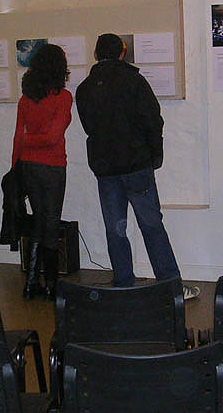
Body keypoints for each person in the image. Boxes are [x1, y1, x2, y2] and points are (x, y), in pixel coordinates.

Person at [76, 33, 199, 299]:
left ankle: (123, 284)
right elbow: (153, 120)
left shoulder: (85, 88)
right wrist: (155, 155)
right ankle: (170, 287)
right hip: (136, 164)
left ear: (96, 55)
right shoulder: (134, 81)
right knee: (152, 226)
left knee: (115, 229)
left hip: (106, 169)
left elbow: (89, 127)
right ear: (122, 53)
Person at [11, 43, 72, 300]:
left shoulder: (26, 98)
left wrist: (16, 163)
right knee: (51, 221)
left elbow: (18, 136)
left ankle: (31, 283)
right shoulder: (63, 97)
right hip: (52, 166)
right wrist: (33, 140)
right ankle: (52, 286)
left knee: (38, 220)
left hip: (28, 165)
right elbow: (52, 137)